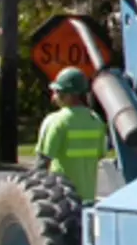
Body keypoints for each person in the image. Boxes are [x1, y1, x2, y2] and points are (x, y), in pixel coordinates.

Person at [35, 67, 108, 204]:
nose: (53, 97)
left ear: (68, 95)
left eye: (57, 92)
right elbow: (100, 154)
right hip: (88, 198)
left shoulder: (56, 121)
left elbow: (42, 163)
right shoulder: (96, 121)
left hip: (60, 199)